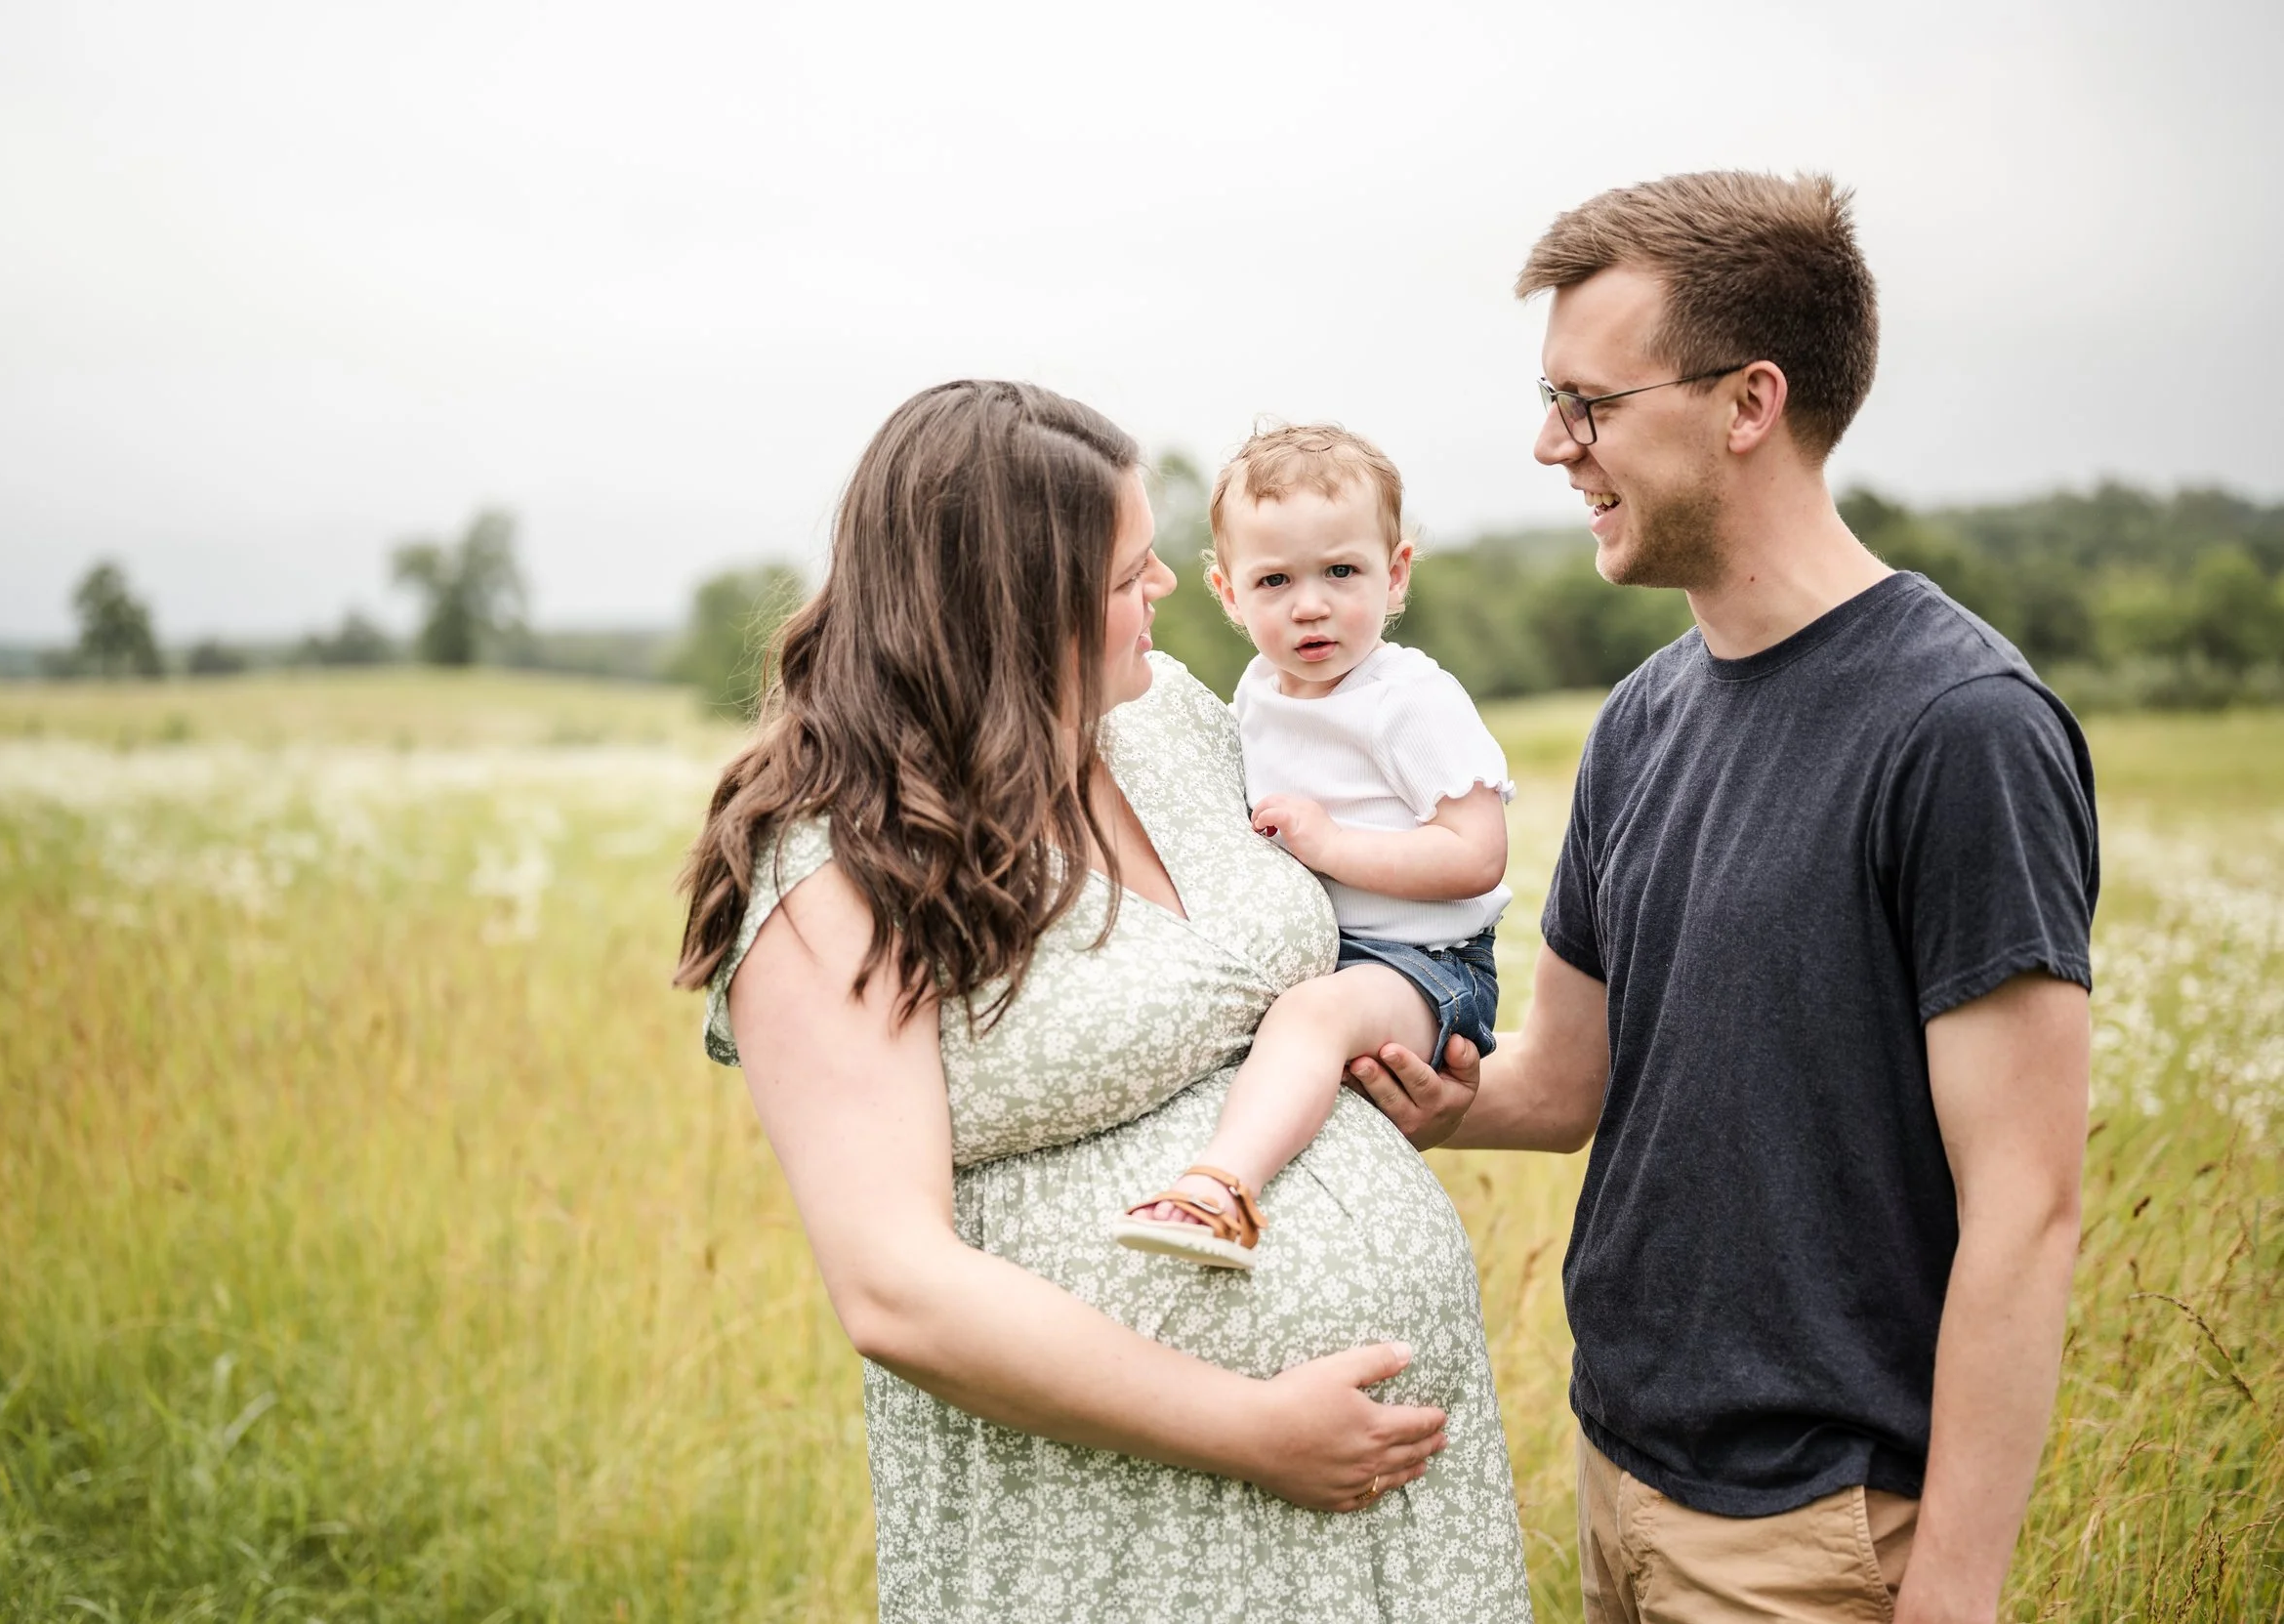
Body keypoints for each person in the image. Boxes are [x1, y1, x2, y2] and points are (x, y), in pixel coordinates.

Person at [1349, 172, 2097, 1623]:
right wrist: (1366, 1063)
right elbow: (1563, 1081)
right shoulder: (1641, 717)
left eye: (1590, 403)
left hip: (1816, 1535)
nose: (1552, 445)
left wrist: (1952, 1587)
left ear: (1749, 400)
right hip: (1618, 1475)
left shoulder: (1964, 727)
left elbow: (2031, 1205)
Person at [676, 380, 1532, 1622]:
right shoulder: (834, 868)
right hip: (1124, 1539)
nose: (1172, 591)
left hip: (1399, 1533)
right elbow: (896, 1288)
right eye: (1133, 568)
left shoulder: (1170, 718)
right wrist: (1253, 1427)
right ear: (1016, 597)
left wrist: (1407, 1074)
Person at [1115, 424, 1511, 1270]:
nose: (1309, 604)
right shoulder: (1257, 690)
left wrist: (1330, 843)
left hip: (1428, 962)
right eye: (1274, 580)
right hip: (1343, 958)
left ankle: (1220, 1191)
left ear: (1394, 572)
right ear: (1227, 592)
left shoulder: (1408, 699)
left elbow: (1476, 855)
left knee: (1309, 1016)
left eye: (1341, 571)